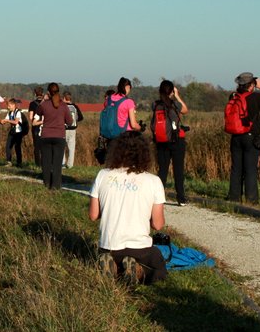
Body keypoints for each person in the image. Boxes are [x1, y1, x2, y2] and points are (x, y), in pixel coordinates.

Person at [89, 132, 168, 285]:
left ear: (115, 151)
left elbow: (93, 215)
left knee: (113, 255)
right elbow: (158, 225)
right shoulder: (154, 181)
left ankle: (114, 266)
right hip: (140, 248)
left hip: (109, 246)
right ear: (145, 154)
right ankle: (137, 270)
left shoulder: (102, 175)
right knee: (159, 269)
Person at [227, 73, 260, 204]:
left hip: (235, 137)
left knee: (236, 168)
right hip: (251, 136)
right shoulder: (255, 97)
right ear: (251, 85)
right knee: (250, 168)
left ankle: (234, 197)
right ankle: (251, 199)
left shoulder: (233, 97)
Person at [152, 80, 189, 206]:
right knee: (178, 170)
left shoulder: (155, 105)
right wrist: (177, 95)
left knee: (163, 170)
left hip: (161, 141)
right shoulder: (175, 105)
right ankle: (181, 198)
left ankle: (158, 197)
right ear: (171, 92)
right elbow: (185, 110)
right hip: (176, 140)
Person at [33, 83, 73, 190]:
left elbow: (36, 116)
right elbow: (70, 121)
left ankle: (46, 184)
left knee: (46, 162)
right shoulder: (63, 106)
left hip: (46, 135)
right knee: (57, 163)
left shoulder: (44, 105)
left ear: (48, 93)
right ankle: (56, 186)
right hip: (59, 136)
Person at [0, 98, 26, 166]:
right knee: (8, 146)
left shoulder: (18, 112)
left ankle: (19, 162)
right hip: (12, 131)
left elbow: (16, 122)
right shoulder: (10, 113)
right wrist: (1, 121)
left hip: (18, 132)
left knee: (17, 147)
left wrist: (7, 121)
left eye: (9, 106)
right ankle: (9, 161)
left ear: (13, 105)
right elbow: (6, 119)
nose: (8, 107)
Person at [63, 91, 84, 169]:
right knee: (71, 147)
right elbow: (81, 117)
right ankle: (70, 164)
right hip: (73, 129)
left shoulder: (62, 106)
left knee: (62, 147)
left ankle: (62, 163)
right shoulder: (75, 106)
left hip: (63, 128)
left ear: (64, 98)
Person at [28, 87, 45, 166]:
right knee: (45, 146)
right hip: (46, 126)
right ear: (42, 93)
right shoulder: (47, 103)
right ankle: (45, 162)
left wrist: (34, 122)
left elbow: (31, 117)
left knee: (36, 146)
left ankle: (37, 163)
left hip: (36, 127)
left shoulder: (32, 104)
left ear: (35, 94)